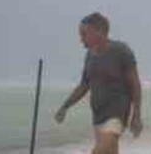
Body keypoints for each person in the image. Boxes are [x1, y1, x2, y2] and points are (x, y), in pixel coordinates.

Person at [54, 13, 143, 154]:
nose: (81, 39)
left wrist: (136, 115)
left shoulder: (121, 51)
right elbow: (84, 85)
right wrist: (65, 106)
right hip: (98, 116)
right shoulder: (89, 56)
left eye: (84, 34)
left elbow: (135, 84)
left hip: (116, 115)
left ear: (99, 31)